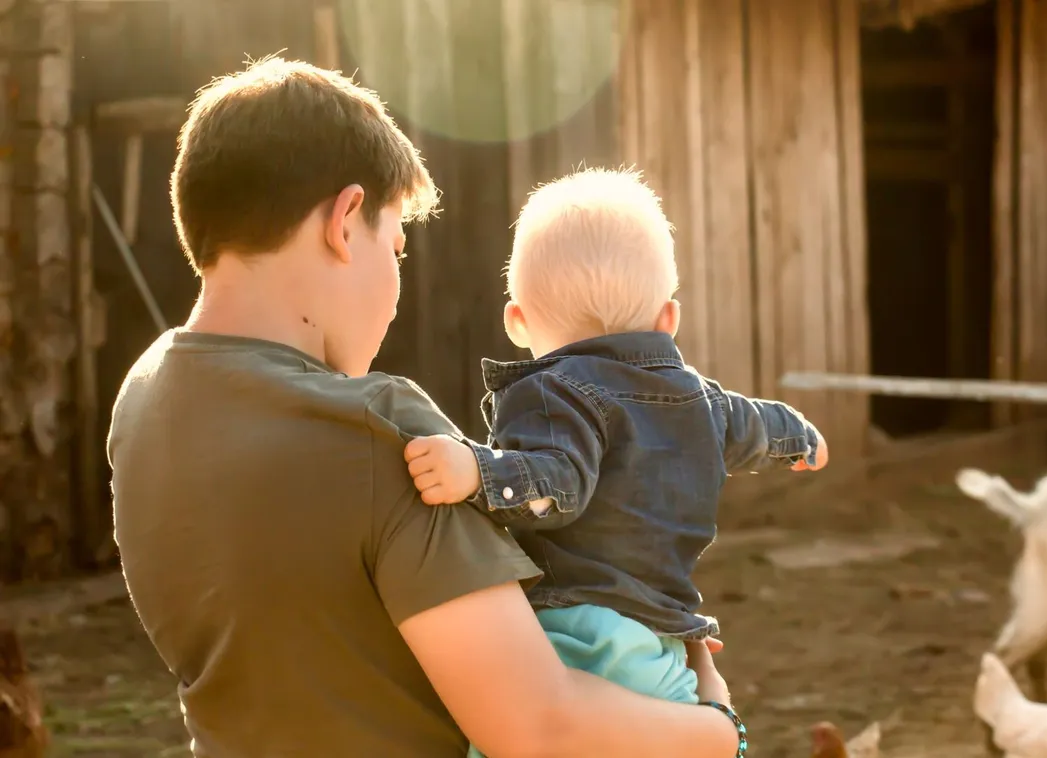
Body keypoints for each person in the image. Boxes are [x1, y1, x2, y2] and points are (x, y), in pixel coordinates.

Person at [107, 57, 743, 757]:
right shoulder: (377, 429)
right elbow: (541, 730)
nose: (395, 281)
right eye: (397, 246)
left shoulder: (144, 401)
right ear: (345, 221)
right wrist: (718, 729)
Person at [404, 168, 828, 758]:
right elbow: (758, 423)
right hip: (664, 647)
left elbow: (558, 487)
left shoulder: (552, 392)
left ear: (517, 320)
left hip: (577, 636)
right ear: (668, 319)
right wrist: (801, 438)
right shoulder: (703, 400)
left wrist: (479, 470)